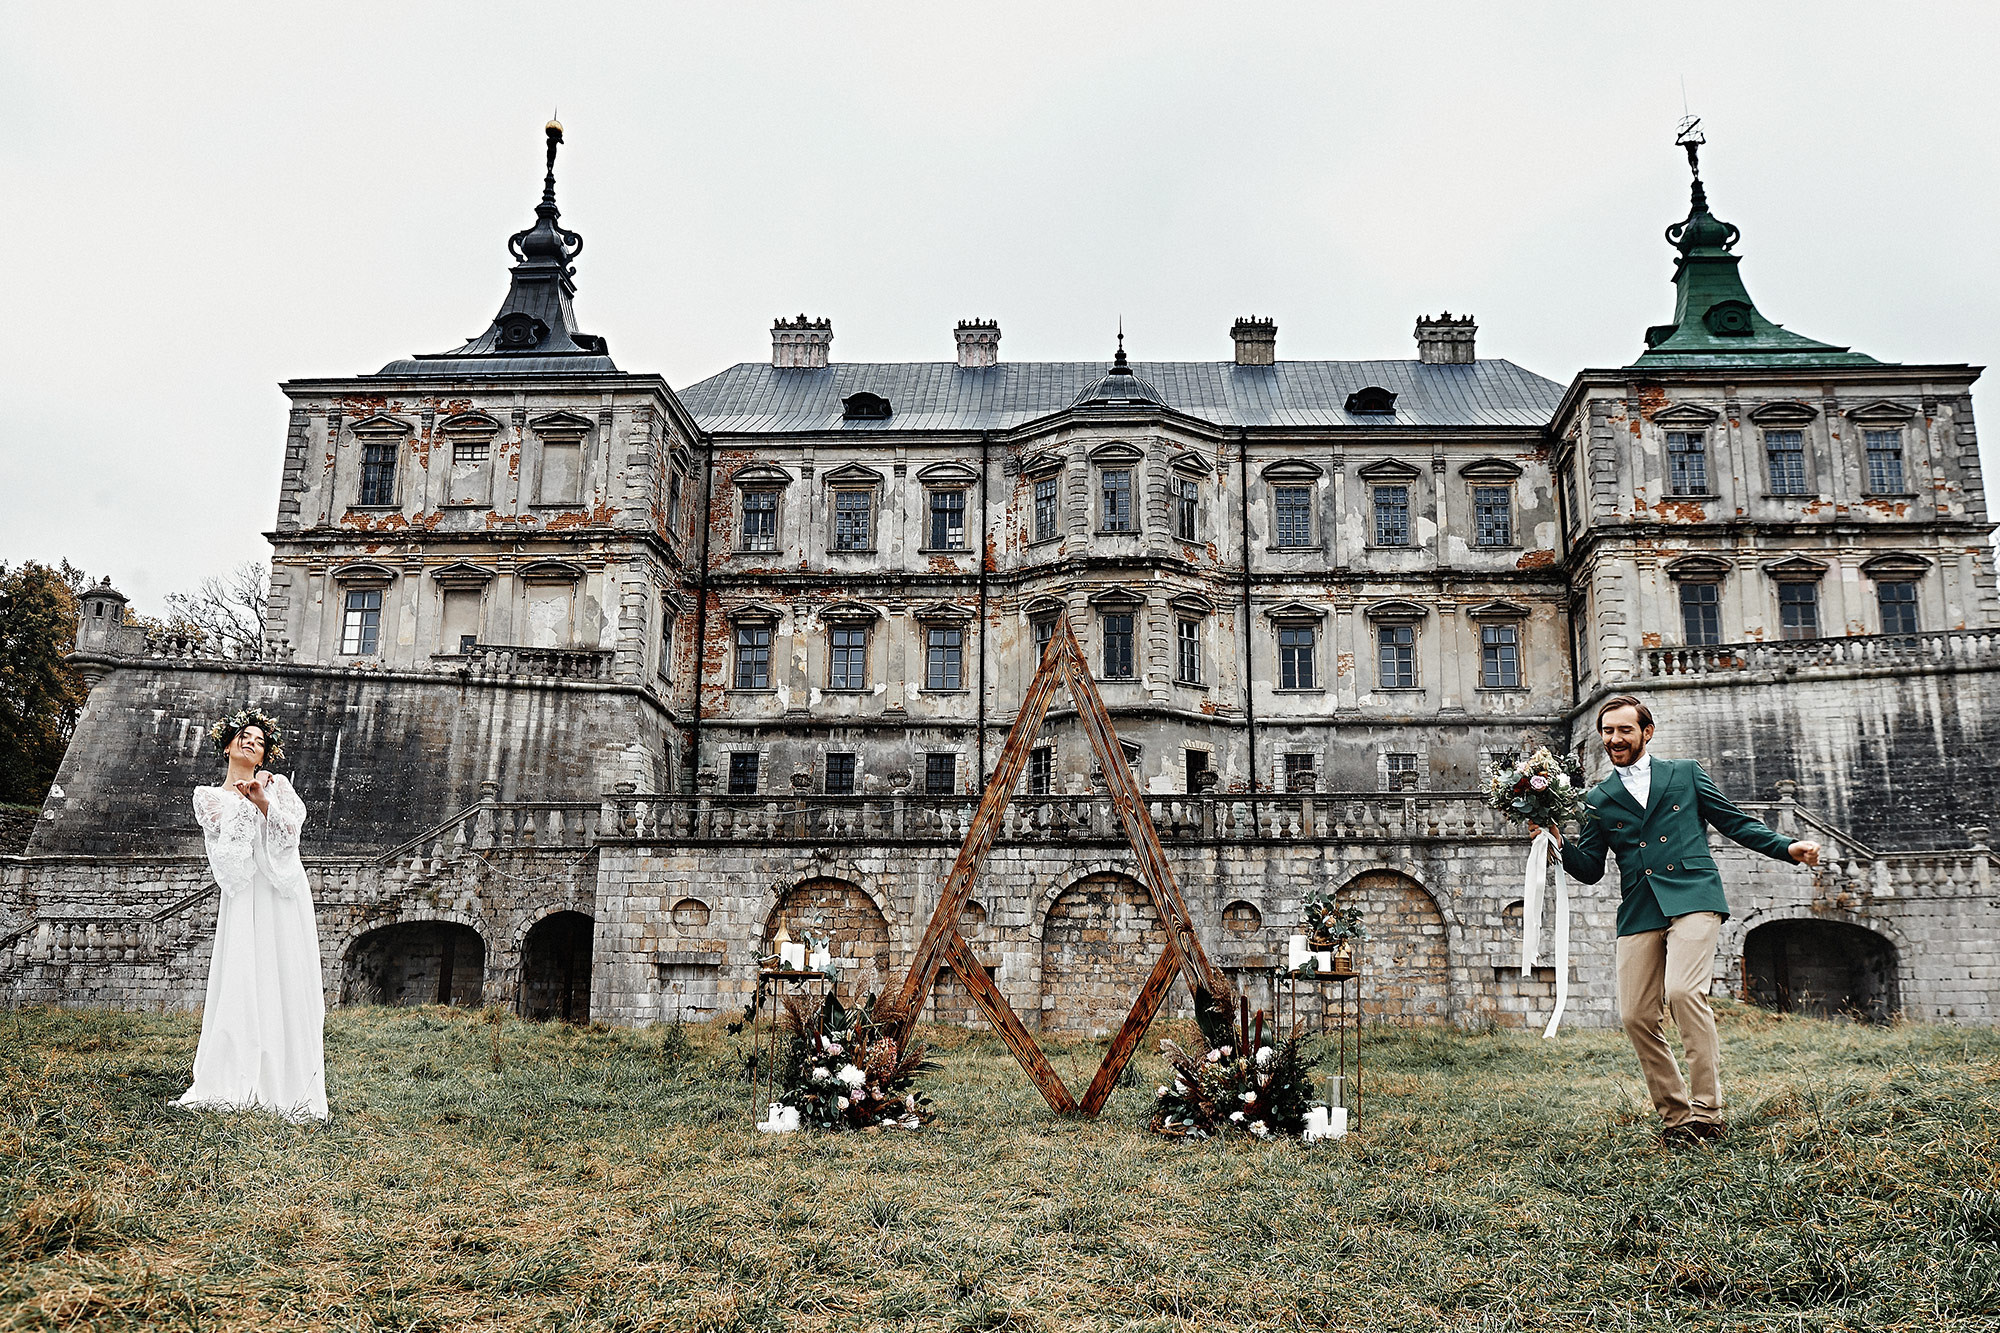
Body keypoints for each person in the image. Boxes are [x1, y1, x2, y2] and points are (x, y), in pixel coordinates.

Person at [1536, 695, 1818, 1145]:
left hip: (1693, 894)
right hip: (1640, 907)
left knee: (1684, 992)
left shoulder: (1684, 774)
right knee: (1634, 1016)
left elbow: (1733, 822)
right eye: (1607, 732)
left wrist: (1787, 848)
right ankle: (1677, 1118)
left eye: (1624, 730)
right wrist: (1556, 842)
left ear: (1647, 732)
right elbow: (1590, 870)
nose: (1614, 739)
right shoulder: (1597, 799)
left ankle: (1708, 1112)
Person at [174, 708, 328, 1120]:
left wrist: (265, 800)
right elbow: (229, 856)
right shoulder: (208, 798)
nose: (251, 742)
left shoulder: (279, 788)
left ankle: (287, 1076)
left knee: (285, 973)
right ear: (227, 746)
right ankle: (234, 1073)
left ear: (264, 756)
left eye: (260, 741)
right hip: (246, 894)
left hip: (282, 892)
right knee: (245, 974)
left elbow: (289, 836)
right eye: (244, 735)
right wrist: (249, 799)